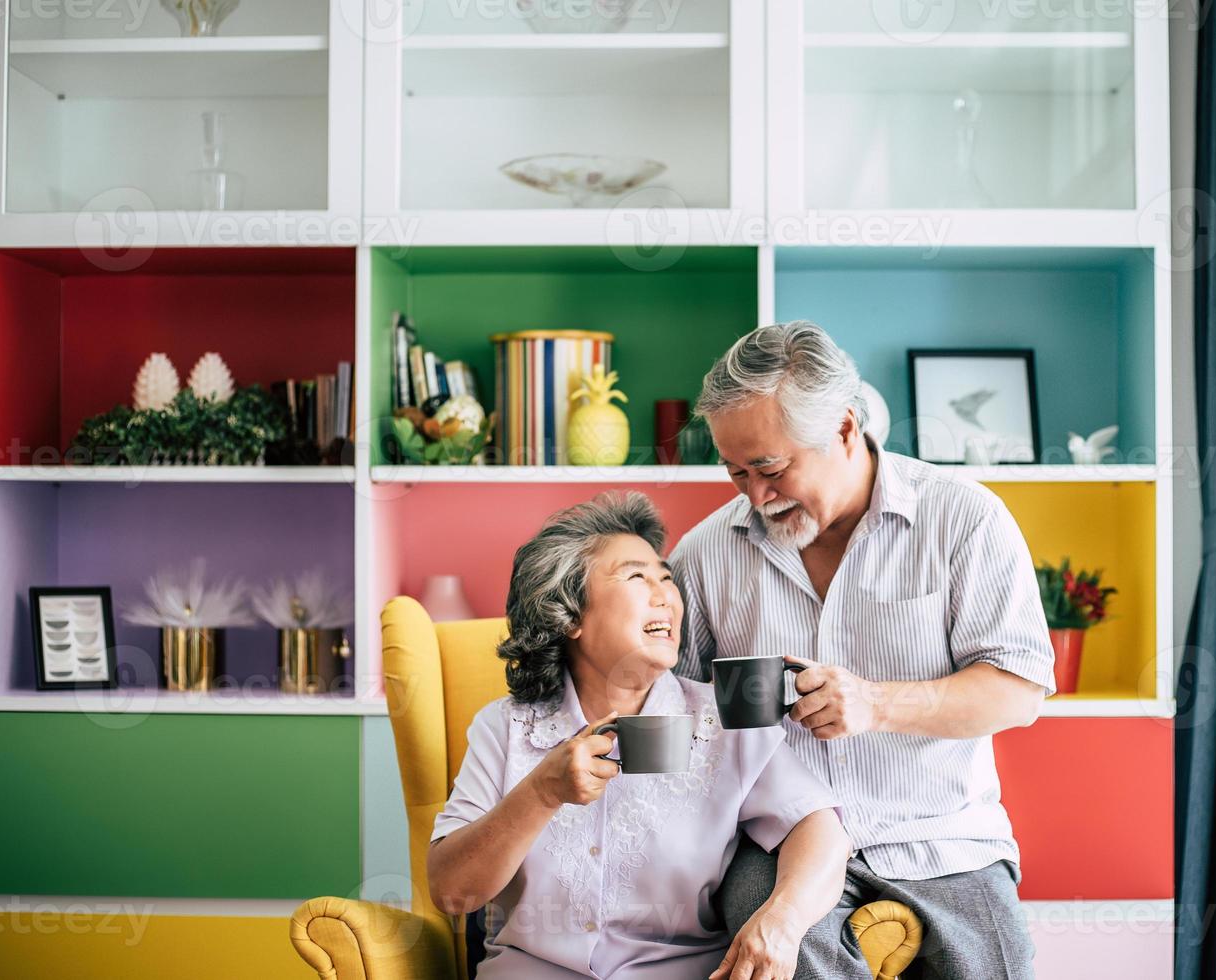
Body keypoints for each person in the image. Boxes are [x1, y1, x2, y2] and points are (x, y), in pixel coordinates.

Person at [671, 321, 1056, 979]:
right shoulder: (705, 554)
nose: (755, 496)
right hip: (775, 842)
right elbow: (675, 715)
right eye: (736, 472)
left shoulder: (965, 519)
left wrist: (876, 705)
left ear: (845, 429)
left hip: (943, 838)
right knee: (779, 959)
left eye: (771, 467)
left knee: (1000, 962)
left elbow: (1017, 692)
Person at [428, 490, 850, 980]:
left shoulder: (721, 718)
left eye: (667, 579)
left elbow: (818, 828)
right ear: (569, 615)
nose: (666, 596)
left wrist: (782, 920)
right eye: (636, 577)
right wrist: (541, 792)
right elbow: (452, 892)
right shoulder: (506, 726)